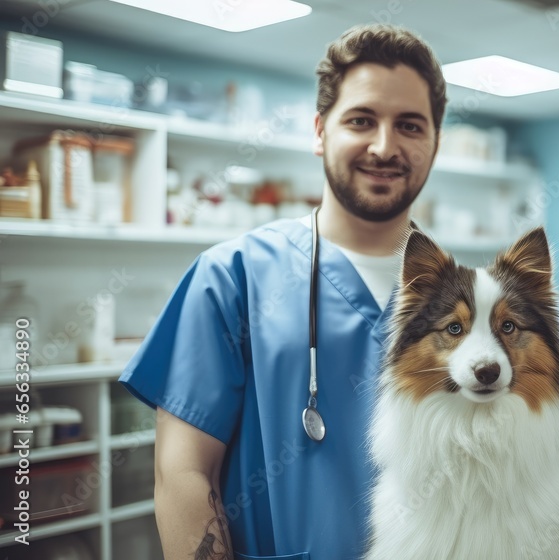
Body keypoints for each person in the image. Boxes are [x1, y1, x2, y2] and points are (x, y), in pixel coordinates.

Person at [119, 24, 447, 559]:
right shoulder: (232, 277)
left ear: (435, 141)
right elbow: (183, 472)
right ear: (320, 130)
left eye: (410, 125)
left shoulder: (466, 300)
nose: (385, 146)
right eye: (361, 120)